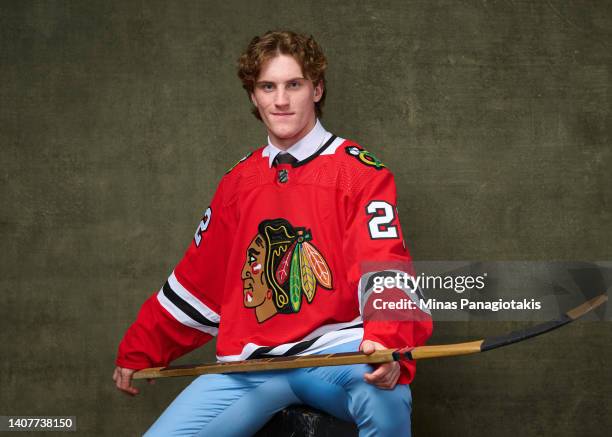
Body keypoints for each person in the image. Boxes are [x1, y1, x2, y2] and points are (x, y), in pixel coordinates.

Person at [113, 30, 432, 436]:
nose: (281, 100)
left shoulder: (360, 174)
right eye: (268, 86)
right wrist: (142, 348)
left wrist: (389, 344)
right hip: (251, 368)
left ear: (316, 89)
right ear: (253, 96)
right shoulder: (238, 183)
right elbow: (200, 282)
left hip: (335, 358)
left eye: (294, 84)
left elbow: (387, 267)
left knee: (385, 397)